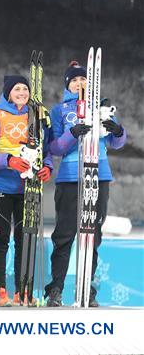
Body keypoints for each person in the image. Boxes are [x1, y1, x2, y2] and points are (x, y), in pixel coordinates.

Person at [44, 61, 127, 307]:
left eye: (83, 80)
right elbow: (54, 148)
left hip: (98, 175)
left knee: (92, 235)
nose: (79, 83)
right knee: (65, 234)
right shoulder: (59, 111)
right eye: (74, 80)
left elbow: (116, 143)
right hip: (71, 177)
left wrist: (117, 130)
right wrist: (72, 134)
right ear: (67, 84)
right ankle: (56, 289)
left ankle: (86, 289)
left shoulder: (100, 107)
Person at [0, 74, 53, 306]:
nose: (22, 93)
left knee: (25, 239)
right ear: (8, 93)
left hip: (28, 187)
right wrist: (9, 161)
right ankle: (1, 290)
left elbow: (45, 149)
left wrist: (47, 167)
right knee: (1, 238)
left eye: (25, 89)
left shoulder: (35, 117)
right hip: (2, 186)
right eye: (17, 89)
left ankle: (23, 290)